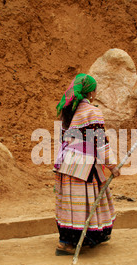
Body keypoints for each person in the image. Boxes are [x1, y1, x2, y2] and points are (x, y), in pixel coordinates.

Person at [53, 73, 120, 255]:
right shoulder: (92, 111)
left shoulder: (68, 111)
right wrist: (112, 164)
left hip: (67, 164)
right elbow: (100, 141)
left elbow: (63, 139)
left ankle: (65, 240)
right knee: (82, 204)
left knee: (70, 204)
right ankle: (71, 243)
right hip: (82, 167)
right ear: (90, 93)